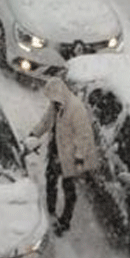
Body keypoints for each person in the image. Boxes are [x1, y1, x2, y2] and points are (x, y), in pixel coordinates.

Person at [28, 76, 100, 235]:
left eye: (53, 99)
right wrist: (34, 134)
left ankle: (65, 221)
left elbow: (84, 136)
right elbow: (45, 122)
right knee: (51, 180)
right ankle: (50, 211)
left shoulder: (76, 108)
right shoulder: (55, 106)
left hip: (70, 157)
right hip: (56, 151)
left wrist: (79, 156)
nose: (51, 102)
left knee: (69, 190)